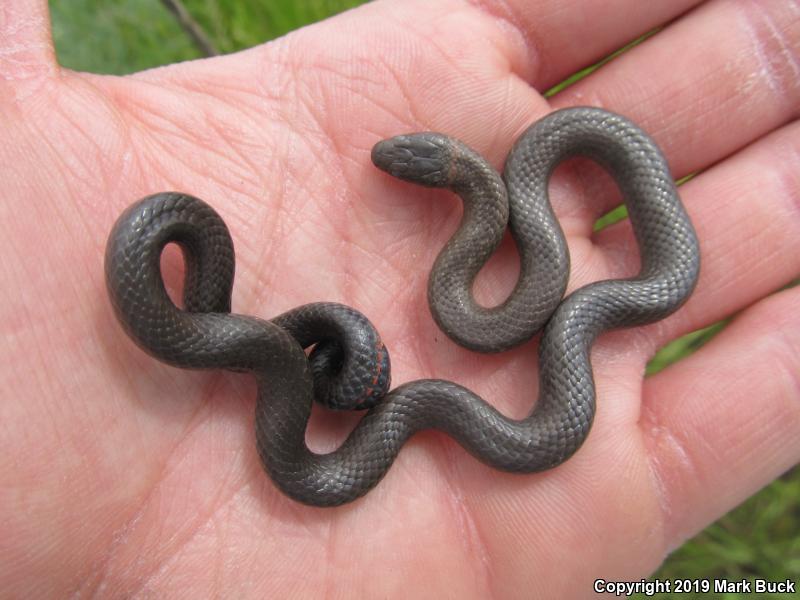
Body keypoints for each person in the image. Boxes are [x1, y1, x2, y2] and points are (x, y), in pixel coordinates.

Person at [2, 0, 798, 597]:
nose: (393, 162)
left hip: (422, 306)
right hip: (303, 365)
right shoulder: (490, 234)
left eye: (411, 162)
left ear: (449, 173)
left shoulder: (521, 224)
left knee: (570, 311)